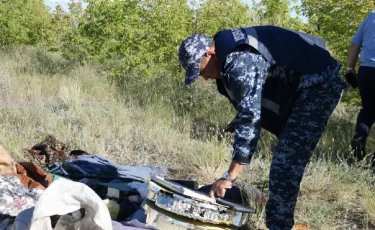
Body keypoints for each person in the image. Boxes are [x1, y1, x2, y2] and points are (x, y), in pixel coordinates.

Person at [178, 26, 347, 230]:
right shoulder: (229, 56)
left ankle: (279, 226)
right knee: (286, 155)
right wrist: (242, 114)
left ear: (210, 53)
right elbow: (253, 94)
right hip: (299, 85)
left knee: (286, 163)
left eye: (201, 70)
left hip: (320, 84)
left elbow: (251, 118)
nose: (204, 77)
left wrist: (228, 177)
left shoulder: (237, 61)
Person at [346, 11, 375, 163]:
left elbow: (355, 44)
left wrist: (350, 68)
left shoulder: (371, 16)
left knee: (368, 109)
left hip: (367, 71)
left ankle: (360, 137)